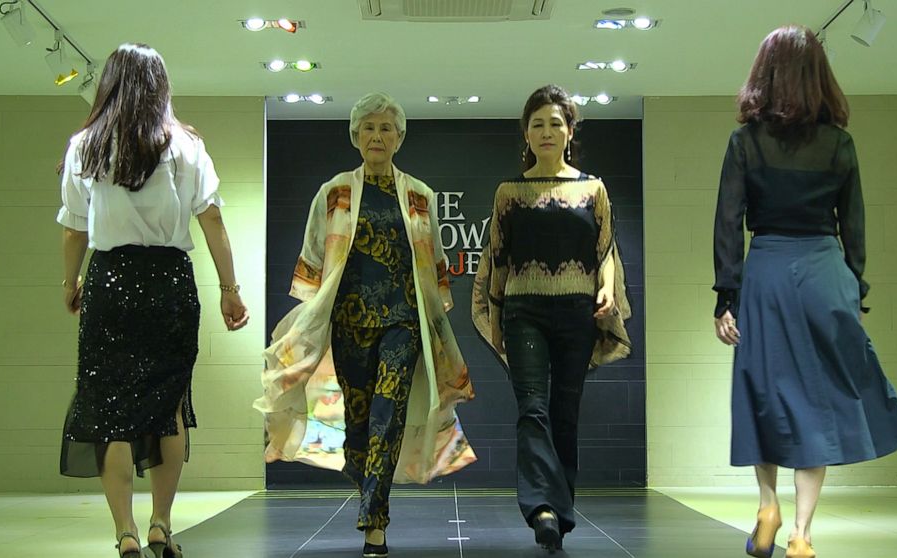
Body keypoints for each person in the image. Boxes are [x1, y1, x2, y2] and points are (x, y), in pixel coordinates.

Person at [712, 25, 897, 558]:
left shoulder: (745, 141)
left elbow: (727, 221)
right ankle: (803, 535)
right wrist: (854, 287)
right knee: (818, 401)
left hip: (766, 271)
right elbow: (853, 225)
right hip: (824, 271)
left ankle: (767, 504)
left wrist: (726, 296)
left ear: (764, 71)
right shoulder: (839, 143)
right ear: (817, 77)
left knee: (762, 390)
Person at [254, 92, 475, 558]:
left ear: (399, 138)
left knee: (387, 413)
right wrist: (309, 321)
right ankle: (367, 485)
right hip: (347, 324)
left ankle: (375, 519)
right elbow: (314, 254)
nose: (377, 136)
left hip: (403, 322)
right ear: (356, 137)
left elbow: (433, 259)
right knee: (357, 425)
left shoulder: (420, 195)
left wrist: (436, 321)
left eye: (386, 128)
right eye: (368, 128)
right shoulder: (334, 191)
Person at [57, 44, 249, 558]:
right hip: (170, 283)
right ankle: (162, 523)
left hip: (110, 283)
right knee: (170, 408)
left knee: (109, 411)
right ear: (162, 85)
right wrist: (230, 291)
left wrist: (70, 283)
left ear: (109, 83)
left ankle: (125, 533)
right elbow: (213, 221)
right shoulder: (186, 144)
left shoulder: (85, 145)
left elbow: (75, 229)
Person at [472, 84, 631, 552]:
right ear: (526, 133)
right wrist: (497, 321)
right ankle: (540, 506)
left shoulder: (593, 189)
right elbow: (496, 260)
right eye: (537, 123)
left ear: (569, 131)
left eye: (555, 123)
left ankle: (559, 513)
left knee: (565, 413)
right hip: (524, 312)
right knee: (532, 408)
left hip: (577, 314)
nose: (546, 131)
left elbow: (605, 251)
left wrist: (605, 287)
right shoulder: (508, 193)